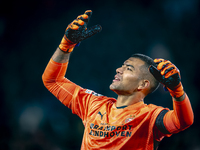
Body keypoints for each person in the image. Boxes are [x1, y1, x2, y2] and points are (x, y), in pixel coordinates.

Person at [42, 10, 194, 150]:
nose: (118, 70)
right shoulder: (93, 104)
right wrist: (66, 45)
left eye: (128, 68)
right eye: (122, 65)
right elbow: (52, 80)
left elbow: (183, 121)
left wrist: (177, 91)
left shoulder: (149, 116)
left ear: (143, 84)